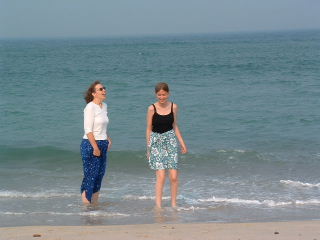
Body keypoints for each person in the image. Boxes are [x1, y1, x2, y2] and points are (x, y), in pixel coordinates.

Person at [146, 82, 188, 209]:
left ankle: (173, 204)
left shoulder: (174, 107)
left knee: (174, 177)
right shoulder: (151, 108)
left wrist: (182, 143)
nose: (161, 97)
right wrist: (149, 148)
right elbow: (148, 128)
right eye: (159, 95)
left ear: (168, 94)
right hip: (156, 141)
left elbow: (175, 125)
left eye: (164, 95)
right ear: (156, 95)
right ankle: (158, 206)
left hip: (170, 140)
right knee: (161, 176)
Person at [80, 81, 112, 204]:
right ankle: (87, 209)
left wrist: (107, 138)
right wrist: (95, 147)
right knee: (90, 178)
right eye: (100, 89)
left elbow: (101, 127)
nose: (104, 90)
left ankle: (94, 207)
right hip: (90, 144)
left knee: (99, 176)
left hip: (103, 143)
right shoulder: (90, 107)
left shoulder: (104, 106)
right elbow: (88, 130)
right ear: (94, 94)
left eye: (104, 88)